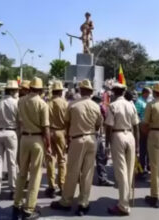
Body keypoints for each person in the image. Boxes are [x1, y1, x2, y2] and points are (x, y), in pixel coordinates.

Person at [51, 79, 103, 217]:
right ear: (91, 92)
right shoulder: (96, 106)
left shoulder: (72, 105)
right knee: (87, 173)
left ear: (80, 91)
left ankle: (66, 201)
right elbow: (99, 124)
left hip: (77, 139)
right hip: (92, 138)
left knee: (73, 172)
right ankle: (83, 203)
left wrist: (69, 138)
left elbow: (66, 123)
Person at [13, 77, 51, 220]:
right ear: (40, 90)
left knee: (22, 172)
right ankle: (29, 209)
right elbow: (46, 127)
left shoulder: (21, 101)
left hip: (24, 138)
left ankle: (16, 204)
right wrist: (48, 145)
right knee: (35, 175)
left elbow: (19, 120)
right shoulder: (42, 104)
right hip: (37, 139)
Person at [105, 83, 139, 216]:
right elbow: (136, 126)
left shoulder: (113, 106)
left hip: (118, 135)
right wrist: (136, 145)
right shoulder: (131, 105)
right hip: (130, 136)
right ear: (124, 92)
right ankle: (126, 199)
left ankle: (123, 205)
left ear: (114, 92)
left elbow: (108, 127)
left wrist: (107, 144)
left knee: (121, 171)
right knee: (129, 170)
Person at [45, 81, 68, 198]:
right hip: (61, 132)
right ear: (60, 92)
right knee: (62, 159)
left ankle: (51, 186)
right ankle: (62, 185)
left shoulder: (47, 103)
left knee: (50, 159)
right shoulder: (65, 103)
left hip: (49, 132)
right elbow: (68, 121)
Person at [92, 95, 115, 187]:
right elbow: (100, 123)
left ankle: (80, 179)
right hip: (95, 136)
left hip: (86, 136)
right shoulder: (97, 108)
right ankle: (103, 178)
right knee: (100, 158)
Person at [134, 87, 151, 178]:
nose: (149, 95)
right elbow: (136, 115)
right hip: (142, 128)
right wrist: (141, 126)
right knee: (143, 149)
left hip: (148, 128)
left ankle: (147, 166)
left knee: (148, 149)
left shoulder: (146, 101)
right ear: (144, 93)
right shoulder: (139, 102)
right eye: (148, 93)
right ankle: (141, 169)